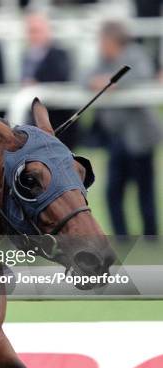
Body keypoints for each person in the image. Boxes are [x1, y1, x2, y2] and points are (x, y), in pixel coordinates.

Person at [86, 20, 161, 236]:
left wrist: (111, 84)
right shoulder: (102, 59)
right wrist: (95, 82)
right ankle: (121, 235)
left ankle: (150, 235)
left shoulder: (135, 54)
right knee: (113, 191)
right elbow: (83, 77)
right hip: (116, 137)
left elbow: (144, 76)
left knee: (144, 191)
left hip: (141, 137)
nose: (100, 45)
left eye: (102, 40)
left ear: (112, 40)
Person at [21, 12, 77, 148]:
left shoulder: (60, 53)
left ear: (48, 32)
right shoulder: (26, 55)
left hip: (56, 117)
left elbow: (62, 77)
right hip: (33, 116)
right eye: (30, 31)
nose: (33, 35)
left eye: (36, 31)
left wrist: (37, 84)